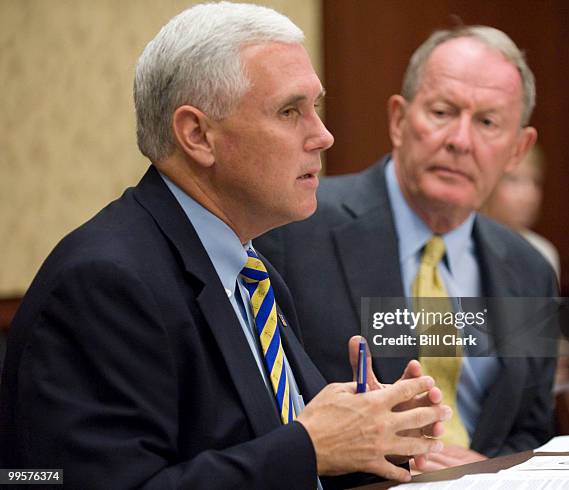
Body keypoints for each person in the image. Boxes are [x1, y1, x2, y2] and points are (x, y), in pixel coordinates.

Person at [0, 3, 450, 488]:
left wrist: (378, 436)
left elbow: (278, 452)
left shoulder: (252, 273)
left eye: (315, 107)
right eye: (289, 111)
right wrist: (310, 445)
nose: (323, 135)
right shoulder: (104, 281)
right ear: (197, 135)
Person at [256, 25, 559, 471]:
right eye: (442, 112)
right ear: (399, 120)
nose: (459, 140)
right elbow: (261, 414)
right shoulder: (291, 232)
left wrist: (487, 471)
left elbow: (531, 428)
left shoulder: (530, 270)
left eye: (487, 122)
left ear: (518, 149)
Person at [482, 144, 560, 279]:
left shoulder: (542, 252)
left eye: (536, 182)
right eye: (513, 180)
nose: (529, 195)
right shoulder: (466, 245)